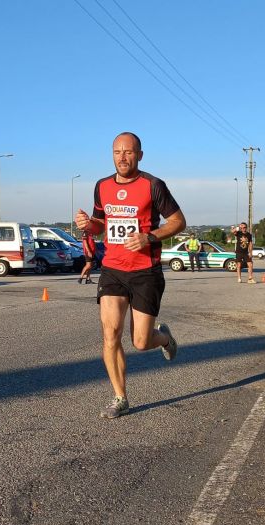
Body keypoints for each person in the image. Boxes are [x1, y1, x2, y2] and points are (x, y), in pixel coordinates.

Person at [75, 132, 186, 419]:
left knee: (140, 341)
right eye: (117, 152)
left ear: (139, 154)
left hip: (145, 271)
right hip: (113, 268)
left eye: (128, 152)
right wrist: (89, 224)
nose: (122, 157)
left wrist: (149, 237)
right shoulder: (102, 186)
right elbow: (101, 223)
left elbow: (178, 221)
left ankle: (163, 338)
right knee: (110, 333)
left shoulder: (153, 185)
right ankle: (120, 397)